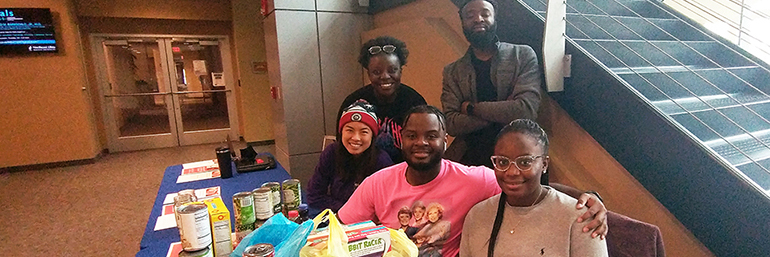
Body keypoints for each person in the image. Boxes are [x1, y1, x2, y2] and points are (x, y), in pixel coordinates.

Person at [339, 105, 607, 257]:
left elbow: (528, 185)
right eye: (412, 135)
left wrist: (587, 196)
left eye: (431, 135)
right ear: (401, 139)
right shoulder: (377, 183)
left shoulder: (473, 179)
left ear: (445, 141)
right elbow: (338, 233)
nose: (421, 143)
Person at [460, 119, 608, 256]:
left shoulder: (580, 218)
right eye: (503, 162)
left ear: (544, 164)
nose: (512, 172)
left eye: (525, 162)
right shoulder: (477, 216)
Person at [441, 0, 542, 168]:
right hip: (469, 161)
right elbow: (451, 123)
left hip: (521, 158)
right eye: (470, 15)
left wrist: (471, 109)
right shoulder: (453, 72)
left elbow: (525, 110)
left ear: (495, 17)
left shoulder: (522, 55)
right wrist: (502, 114)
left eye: (485, 14)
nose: (478, 19)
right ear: (463, 23)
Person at [337, 36, 427, 163]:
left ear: (400, 71)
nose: (385, 76)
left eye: (392, 70)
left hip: (406, 175)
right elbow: (342, 147)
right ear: (368, 74)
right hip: (364, 175)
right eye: (376, 71)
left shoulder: (414, 102)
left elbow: (424, 146)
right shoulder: (354, 102)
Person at [307, 101, 394, 213]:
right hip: (337, 218)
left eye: (364, 132)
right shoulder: (331, 153)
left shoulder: (382, 161)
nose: (356, 138)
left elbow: (390, 203)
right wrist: (347, 209)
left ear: (373, 136)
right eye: (349, 130)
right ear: (341, 132)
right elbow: (314, 195)